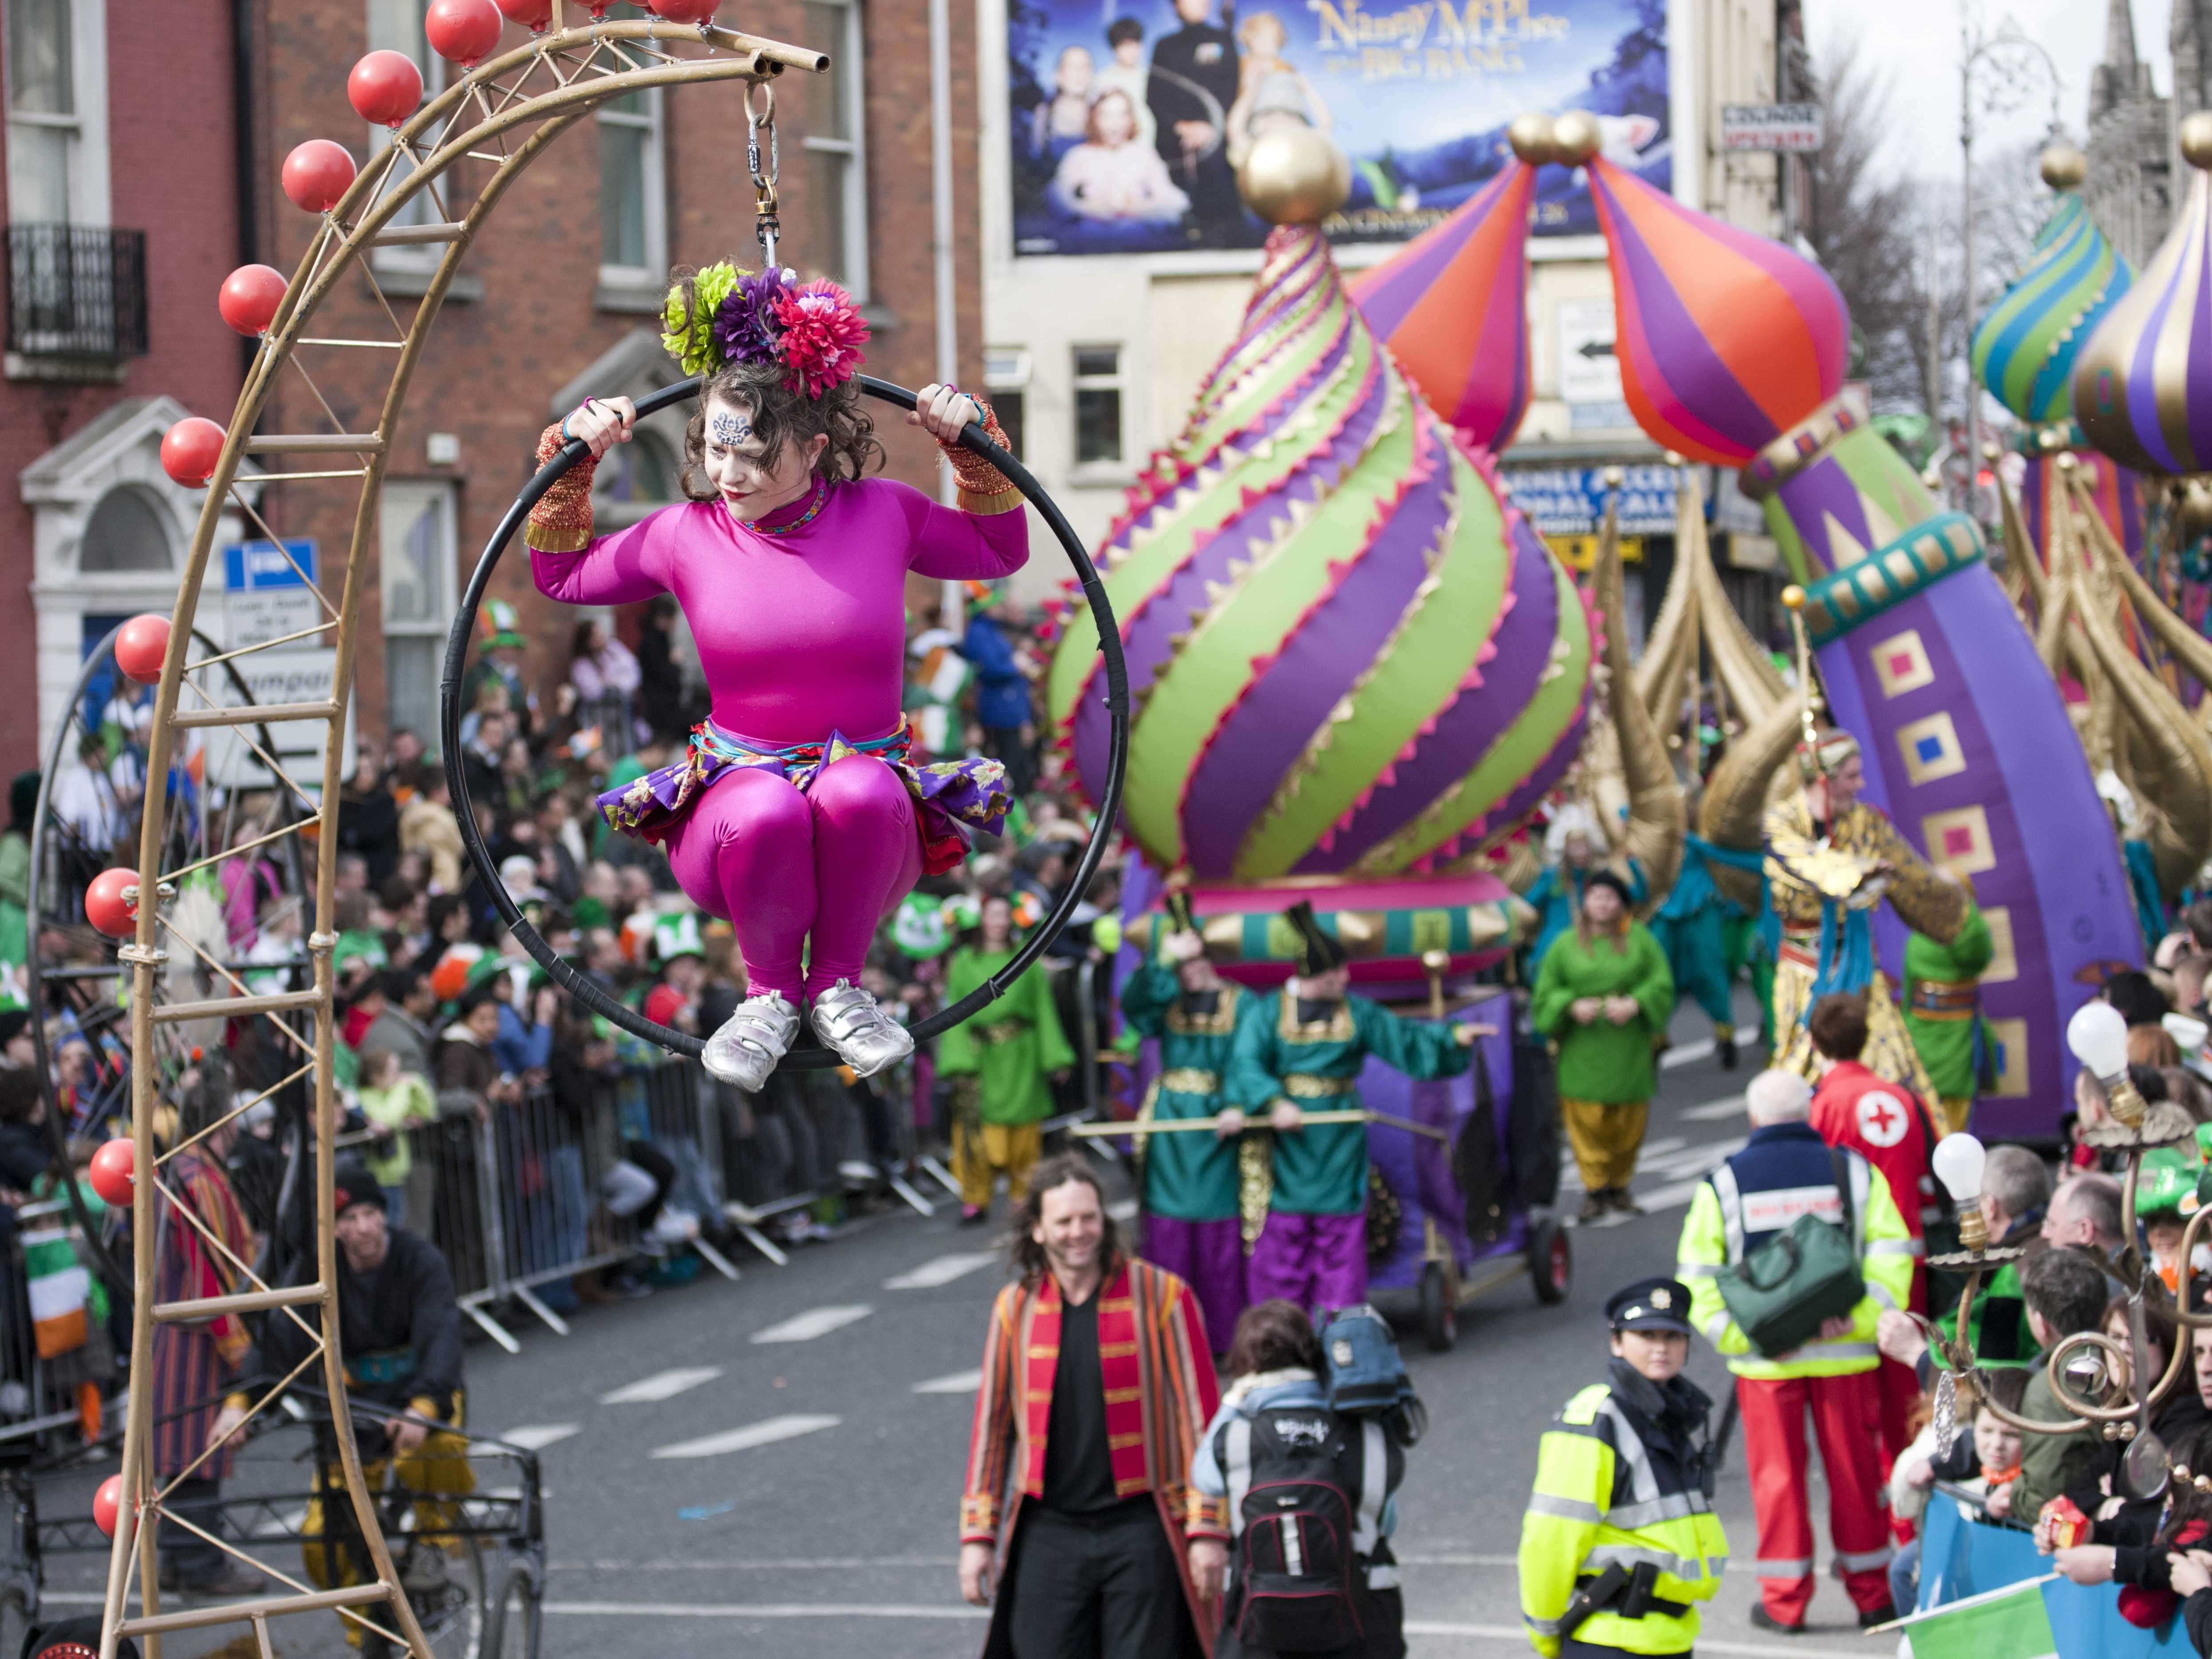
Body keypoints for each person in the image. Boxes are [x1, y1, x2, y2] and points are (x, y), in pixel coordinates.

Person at [533, 264, 1025, 1091]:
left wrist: (968, 447)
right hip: (734, 823)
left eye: (755, 455)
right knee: (766, 803)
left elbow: (997, 551)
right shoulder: (683, 533)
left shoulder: (885, 513)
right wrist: (570, 463)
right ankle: (767, 996)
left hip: (866, 830)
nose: (730, 474)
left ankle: (838, 985)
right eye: (717, 449)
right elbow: (564, 578)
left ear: (814, 447)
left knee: (861, 786)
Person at [958, 1155, 1227, 1659]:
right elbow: (992, 1432)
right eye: (1063, 1221)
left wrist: (1207, 1529)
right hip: (1048, 1531)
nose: (1078, 1232)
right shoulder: (1014, 1307)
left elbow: (1202, 1423)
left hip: (1141, 1530)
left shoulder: (1164, 1296)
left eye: (1089, 1218)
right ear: (1037, 1230)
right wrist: (978, 1537)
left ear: (1105, 1221)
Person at [1675, 1067, 1913, 1631]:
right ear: (1808, 1113)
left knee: (1777, 1483)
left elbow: (1696, 1281)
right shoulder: (1852, 1172)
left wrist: (1751, 1337)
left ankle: (1785, 1602)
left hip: (1766, 1364)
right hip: (1845, 1357)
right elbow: (1892, 1253)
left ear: (1753, 1117)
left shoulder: (1723, 1184)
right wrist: (1853, 1321)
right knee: (1856, 1478)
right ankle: (1873, 1595)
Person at [209, 1161, 473, 1647]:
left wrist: (423, 1407)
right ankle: (370, 1632)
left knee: (428, 1456)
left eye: (372, 1214)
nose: (364, 1228)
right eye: (350, 1219)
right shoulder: (317, 1271)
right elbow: (277, 1344)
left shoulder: (420, 1260)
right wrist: (239, 1403)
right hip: (353, 1416)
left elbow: (442, 1338)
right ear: (335, 1230)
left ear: (384, 1215)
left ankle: (433, 1546)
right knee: (321, 1543)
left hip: (421, 1400)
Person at [1223, 902, 1477, 1312]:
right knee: (1284, 1238)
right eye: (1337, 971)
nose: (1346, 977)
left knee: (1340, 1235)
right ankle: (1282, 1329)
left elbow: (1405, 1040)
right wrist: (1273, 1101)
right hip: (1284, 1146)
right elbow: (1244, 1062)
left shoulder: (1356, 1012)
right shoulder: (1267, 1012)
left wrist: (1453, 1038)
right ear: (1314, 976)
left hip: (1338, 1138)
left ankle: (1340, 1329)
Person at [1518, 1277, 1727, 1658]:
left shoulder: (1672, 1417)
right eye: (1645, 1334)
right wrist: (1547, 1633)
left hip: (1671, 1637)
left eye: (1673, 1336)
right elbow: (1551, 1537)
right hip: (1609, 1640)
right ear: (1616, 1341)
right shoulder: (1595, 1419)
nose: (1661, 1347)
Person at [1192, 1300, 1408, 1659]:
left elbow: (1203, 1477)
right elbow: (1386, 1518)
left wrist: (1232, 1401)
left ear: (1246, 1366)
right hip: (1357, 1620)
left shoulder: (1235, 1436)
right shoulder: (1362, 1431)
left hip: (1261, 1626)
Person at [1762, 728, 1964, 1096]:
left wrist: (1953, 897)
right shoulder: (1782, 822)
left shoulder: (1866, 821)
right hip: (1806, 973)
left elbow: (1911, 874)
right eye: (1851, 776)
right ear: (1823, 779)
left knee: (1888, 1071)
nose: (1861, 784)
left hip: (1861, 973)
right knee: (1803, 1076)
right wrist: (1858, 872)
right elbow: (1796, 859)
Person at [1806, 991, 1941, 1462]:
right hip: (1910, 1261)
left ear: (1813, 1042)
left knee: (1854, 1393)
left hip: (1852, 1268)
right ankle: (1915, 1492)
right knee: (1907, 1383)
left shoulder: (1822, 1107)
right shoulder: (1904, 1098)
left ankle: (1884, 1502)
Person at [153, 1064, 262, 1597]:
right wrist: (236, 1343)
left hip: (178, 1325)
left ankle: (182, 1560)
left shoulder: (185, 1170)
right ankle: (197, 1564)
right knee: (195, 1449)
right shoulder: (198, 1180)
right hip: (194, 1332)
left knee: (185, 1450)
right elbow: (210, 1276)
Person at [1122, 916, 1249, 1344]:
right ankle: (1171, 1336)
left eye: (1196, 959)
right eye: (1182, 962)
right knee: (1168, 1230)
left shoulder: (1242, 1003)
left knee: (1219, 1235)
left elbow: (1251, 1059)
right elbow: (1135, 1005)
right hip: (1172, 1124)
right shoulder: (1167, 1000)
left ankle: (1223, 1335)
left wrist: (1238, 1104)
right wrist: (1161, 959)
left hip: (1220, 1124)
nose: (1189, 969)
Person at [1531, 870, 1674, 1223]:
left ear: (1622, 905)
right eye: (1596, 896)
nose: (1602, 903)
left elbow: (1661, 983)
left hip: (1629, 1050)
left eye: (1610, 897)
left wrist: (1636, 1003)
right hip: (1583, 1050)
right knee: (1586, 1122)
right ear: (1586, 901)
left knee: (1628, 1124)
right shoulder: (1565, 944)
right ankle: (1594, 1189)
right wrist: (1569, 1004)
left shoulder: (1640, 939)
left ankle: (1620, 1185)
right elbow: (1544, 992)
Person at [937, 893, 1074, 1223]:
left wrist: (1055, 1056)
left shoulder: (1026, 957)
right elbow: (954, 1012)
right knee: (977, 1133)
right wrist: (958, 1061)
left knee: (1025, 1132)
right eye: (991, 915)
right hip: (981, 1057)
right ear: (981, 920)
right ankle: (975, 1196)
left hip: (1021, 1054)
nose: (997, 922)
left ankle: (1023, 1195)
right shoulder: (964, 962)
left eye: (1003, 914)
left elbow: (1043, 1007)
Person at [1886, 1366, 2029, 1612]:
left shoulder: (2042, 1466)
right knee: (1903, 1570)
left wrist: (2019, 1494)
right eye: (1987, 1431)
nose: (1996, 1445)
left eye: (2011, 1435)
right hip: (1985, 1543)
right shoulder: (1972, 1443)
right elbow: (1968, 1450)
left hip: (2021, 1562)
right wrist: (1933, 1465)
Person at [2007, 1245, 2112, 1518]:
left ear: (2041, 1323)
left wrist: (2015, 1492)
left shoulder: (2050, 1387)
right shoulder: (2122, 1358)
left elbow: (2044, 1499)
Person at [1901, 871, 1993, 1134]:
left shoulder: (1968, 934)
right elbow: (1910, 990)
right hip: (1922, 1036)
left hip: (1957, 1040)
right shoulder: (1920, 935)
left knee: (1951, 1122)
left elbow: (1977, 952)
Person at [1147, 0, 1242, 235]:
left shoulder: (1224, 39)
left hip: (1217, 137)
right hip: (1176, 141)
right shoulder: (1165, 46)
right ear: (1176, 6)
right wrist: (1180, 127)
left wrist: (1210, 127)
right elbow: (1155, 95)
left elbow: (1233, 87)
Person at [1646, 833, 1739, 1070]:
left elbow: (1720, 852)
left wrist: (1692, 840)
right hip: (1662, 906)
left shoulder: (1701, 834)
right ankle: (1656, 1039)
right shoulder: (1656, 835)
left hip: (1701, 903)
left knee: (1708, 969)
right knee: (1661, 973)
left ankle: (1725, 1033)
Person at [1049, 90, 1193, 225]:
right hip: (1091, 238)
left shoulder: (1144, 155)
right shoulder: (1078, 156)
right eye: (1106, 115)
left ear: (1131, 119)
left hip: (1136, 237)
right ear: (1094, 118)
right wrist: (1094, 208)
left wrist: (1139, 207)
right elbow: (1057, 199)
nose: (1114, 122)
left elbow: (1173, 200)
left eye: (1122, 115)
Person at [1222, 11, 1328, 169]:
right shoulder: (1242, 67)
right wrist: (1251, 87)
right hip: (1258, 129)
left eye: (1273, 39)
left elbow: (1325, 127)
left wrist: (1308, 92)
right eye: (1261, 38)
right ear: (1249, 40)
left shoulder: (1289, 70)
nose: (1268, 45)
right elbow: (1235, 128)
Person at [1092, 17, 1156, 149]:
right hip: (1114, 146)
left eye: (1134, 44)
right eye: (1124, 46)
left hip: (1148, 144)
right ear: (1114, 49)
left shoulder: (1151, 76)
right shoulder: (1102, 79)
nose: (1131, 51)